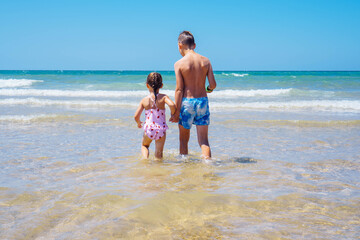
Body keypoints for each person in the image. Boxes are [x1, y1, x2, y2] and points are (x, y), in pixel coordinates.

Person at [169, 31, 217, 159]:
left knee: (184, 141)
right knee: (204, 141)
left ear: (180, 45)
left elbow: (179, 89)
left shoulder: (179, 64)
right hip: (202, 102)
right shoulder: (206, 61)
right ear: (194, 45)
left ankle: (184, 169)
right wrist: (208, 89)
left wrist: (176, 111)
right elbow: (213, 84)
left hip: (187, 103)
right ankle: (207, 165)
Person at [134, 72, 176, 159]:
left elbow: (136, 116)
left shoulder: (144, 100)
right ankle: (158, 169)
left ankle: (145, 160)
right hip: (161, 129)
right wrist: (172, 114)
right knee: (159, 154)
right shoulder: (164, 97)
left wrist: (138, 123)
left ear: (147, 85)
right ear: (161, 85)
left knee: (145, 146)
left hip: (149, 129)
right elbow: (172, 105)